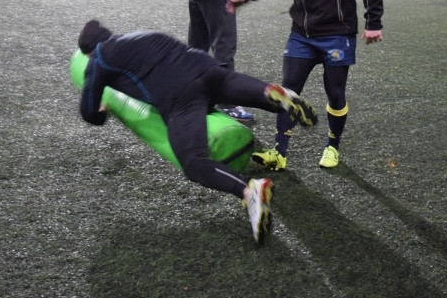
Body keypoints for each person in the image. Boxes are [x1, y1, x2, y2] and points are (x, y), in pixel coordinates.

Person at [77, 20, 318, 244]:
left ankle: (249, 192)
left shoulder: (98, 59)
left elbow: (88, 112)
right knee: (227, 84)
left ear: (89, 51)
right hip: (207, 67)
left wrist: (102, 111)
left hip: (181, 95)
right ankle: (273, 95)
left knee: (193, 161)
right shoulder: (142, 34)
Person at [226, 0, 384, 170]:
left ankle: (332, 147)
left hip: (337, 34)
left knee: (335, 93)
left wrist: (373, 22)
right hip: (301, 34)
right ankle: (279, 152)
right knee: (288, 92)